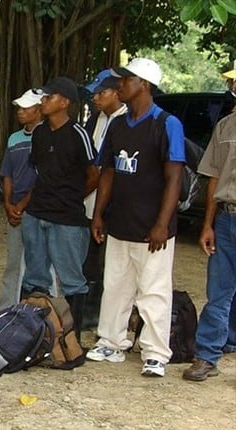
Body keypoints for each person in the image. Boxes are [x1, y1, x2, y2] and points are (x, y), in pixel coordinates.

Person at [89, 58, 185, 377]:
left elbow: (174, 177)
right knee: (115, 285)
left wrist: (161, 223)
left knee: (154, 290)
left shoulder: (166, 123)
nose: (119, 84)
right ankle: (111, 341)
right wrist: (99, 214)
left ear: (143, 84)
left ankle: (155, 353)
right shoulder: (118, 124)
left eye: (125, 79)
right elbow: (108, 172)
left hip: (151, 227)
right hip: (120, 221)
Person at [22, 76, 97, 340]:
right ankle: (32, 333)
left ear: (65, 102)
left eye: (49, 97)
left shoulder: (78, 134)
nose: (43, 101)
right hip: (36, 214)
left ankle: (71, 339)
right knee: (34, 277)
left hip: (67, 219)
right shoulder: (39, 133)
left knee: (72, 280)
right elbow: (40, 172)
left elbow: (94, 174)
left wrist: (72, 197)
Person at [183, 110, 235, 381]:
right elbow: (213, 177)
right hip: (226, 218)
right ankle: (207, 355)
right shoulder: (225, 126)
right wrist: (208, 224)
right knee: (218, 291)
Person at [81, 69, 129, 328]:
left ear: (117, 92)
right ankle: (90, 311)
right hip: (91, 202)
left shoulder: (126, 121)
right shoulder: (94, 120)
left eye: (101, 93)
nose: (95, 98)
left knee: (114, 264)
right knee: (91, 260)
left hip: (117, 204)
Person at [0, 89, 43, 309]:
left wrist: (22, 205)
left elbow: (44, 178)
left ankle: (39, 309)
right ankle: (7, 309)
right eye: (20, 108)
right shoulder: (14, 139)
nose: (20, 112)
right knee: (13, 263)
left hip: (37, 209)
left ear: (39, 109)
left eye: (27, 108)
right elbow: (7, 174)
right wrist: (8, 204)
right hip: (14, 209)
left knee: (39, 263)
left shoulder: (47, 136)